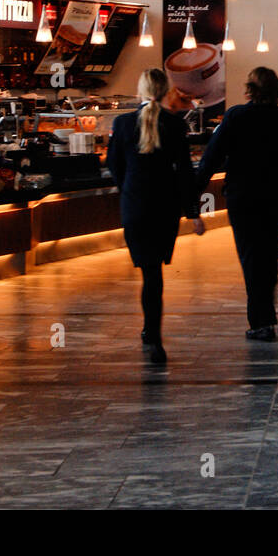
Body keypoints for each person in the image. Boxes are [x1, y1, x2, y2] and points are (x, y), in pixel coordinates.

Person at [197, 67, 278, 341]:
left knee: (251, 256)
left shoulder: (235, 116)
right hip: (276, 196)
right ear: (277, 91)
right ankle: (265, 317)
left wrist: (190, 199)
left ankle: (261, 321)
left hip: (243, 197)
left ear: (249, 89)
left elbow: (210, 159)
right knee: (268, 254)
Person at [107, 68, 204, 364]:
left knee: (148, 271)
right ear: (166, 92)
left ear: (140, 90)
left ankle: (151, 334)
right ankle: (153, 336)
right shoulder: (175, 126)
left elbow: (114, 166)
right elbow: (185, 173)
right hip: (165, 209)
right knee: (155, 274)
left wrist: (129, 191)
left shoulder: (122, 123)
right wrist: (193, 213)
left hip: (135, 207)